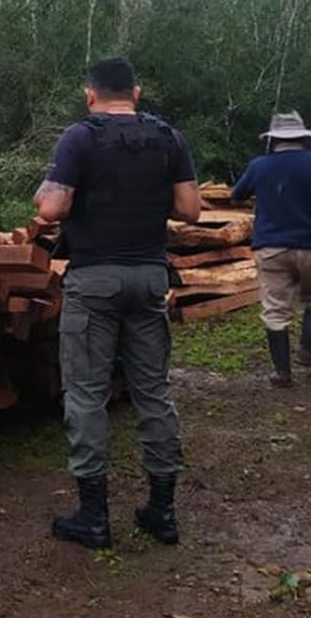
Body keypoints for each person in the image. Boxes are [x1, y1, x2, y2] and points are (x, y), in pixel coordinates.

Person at [34, 57, 201, 550]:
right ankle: (162, 511)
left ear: (90, 94)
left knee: (87, 395)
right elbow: (190, 210)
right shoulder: (168, 137)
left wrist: (54, 198)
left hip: (94, 279)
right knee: (153, 391)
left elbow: (52, 208)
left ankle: (93, 516)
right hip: (150, 276)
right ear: (137, 92)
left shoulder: (79, 138)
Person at [231, 111, 311, 387]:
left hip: (270, 247)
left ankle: (282, 373)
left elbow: (236, 194)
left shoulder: (259, 166)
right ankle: (307, 351)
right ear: (302, 137)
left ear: (273, 139)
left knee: (275, 309)